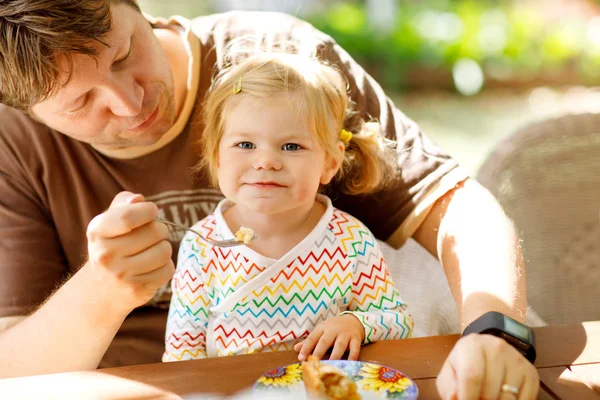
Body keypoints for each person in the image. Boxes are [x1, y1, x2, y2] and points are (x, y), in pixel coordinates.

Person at [0, 1, 538, 398]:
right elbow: (11, 370)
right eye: (82, 102)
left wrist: (496, 330)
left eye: (123, 55)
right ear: (27, 110)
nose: (129, 101)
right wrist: (101, 291)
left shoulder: (283, 65)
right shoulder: (13, 146)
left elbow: (458, 209)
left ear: (135, 7)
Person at [163, 52, 414, 362]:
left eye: (291, 146)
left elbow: (398, 320)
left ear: (329, 162)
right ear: (217, 156)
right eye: (245, 145)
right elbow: (182, 353)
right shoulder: (202, 246)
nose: (266, 161)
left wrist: (357, 323)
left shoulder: (350, 240)